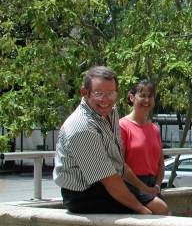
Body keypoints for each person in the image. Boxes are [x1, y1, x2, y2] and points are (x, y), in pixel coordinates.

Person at [54, 66, 168, 215]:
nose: (105, 100)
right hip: (84, 193)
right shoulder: (81, 127)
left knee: (161, 208)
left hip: (107, 183)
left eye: (110, 93)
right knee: (157, 210)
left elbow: (117, 163)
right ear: (84, 92)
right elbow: (108, 178)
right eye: (98, 93)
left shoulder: (110, 112)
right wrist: (141, 209)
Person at [119, 79, 169, 214]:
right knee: (161, 210)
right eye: (142, 96)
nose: (146, 100)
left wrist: (156, 187)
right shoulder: (122, 126)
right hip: (131, 185)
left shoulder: (154, 129)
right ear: (131, 97)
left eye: (150, 96)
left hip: (152, 186)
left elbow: (160, 164)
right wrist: (144, 189)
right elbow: (120, 164)